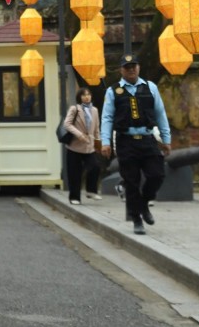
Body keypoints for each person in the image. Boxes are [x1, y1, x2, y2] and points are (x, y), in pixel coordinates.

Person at [100, 54, 171, 235]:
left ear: (138, 68)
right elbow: (107, 118)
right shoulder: (113, 91)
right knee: (131, 182)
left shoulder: (150, 87)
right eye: (127, 67)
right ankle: (137, 219)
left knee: (157, 175)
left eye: (134, 66)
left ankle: (144, 203)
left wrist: (166, 139)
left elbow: (161, 114)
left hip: (148, 139)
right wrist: (105, 142)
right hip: (126, 141)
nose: (131, 69)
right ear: (121, 70)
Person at [63, 87, 101, 206]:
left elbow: (96, 129)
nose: (86, 97)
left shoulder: (94, 110)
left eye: (88, 94)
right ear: (79, 97)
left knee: (95, 167)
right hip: (74, 146)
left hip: (89, 146)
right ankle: (75, 197)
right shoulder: (75, 109)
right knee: (74, 173)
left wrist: (98, 143)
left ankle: (91, 190)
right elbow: (67, 124)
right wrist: (79, 135)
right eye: (84, 95)